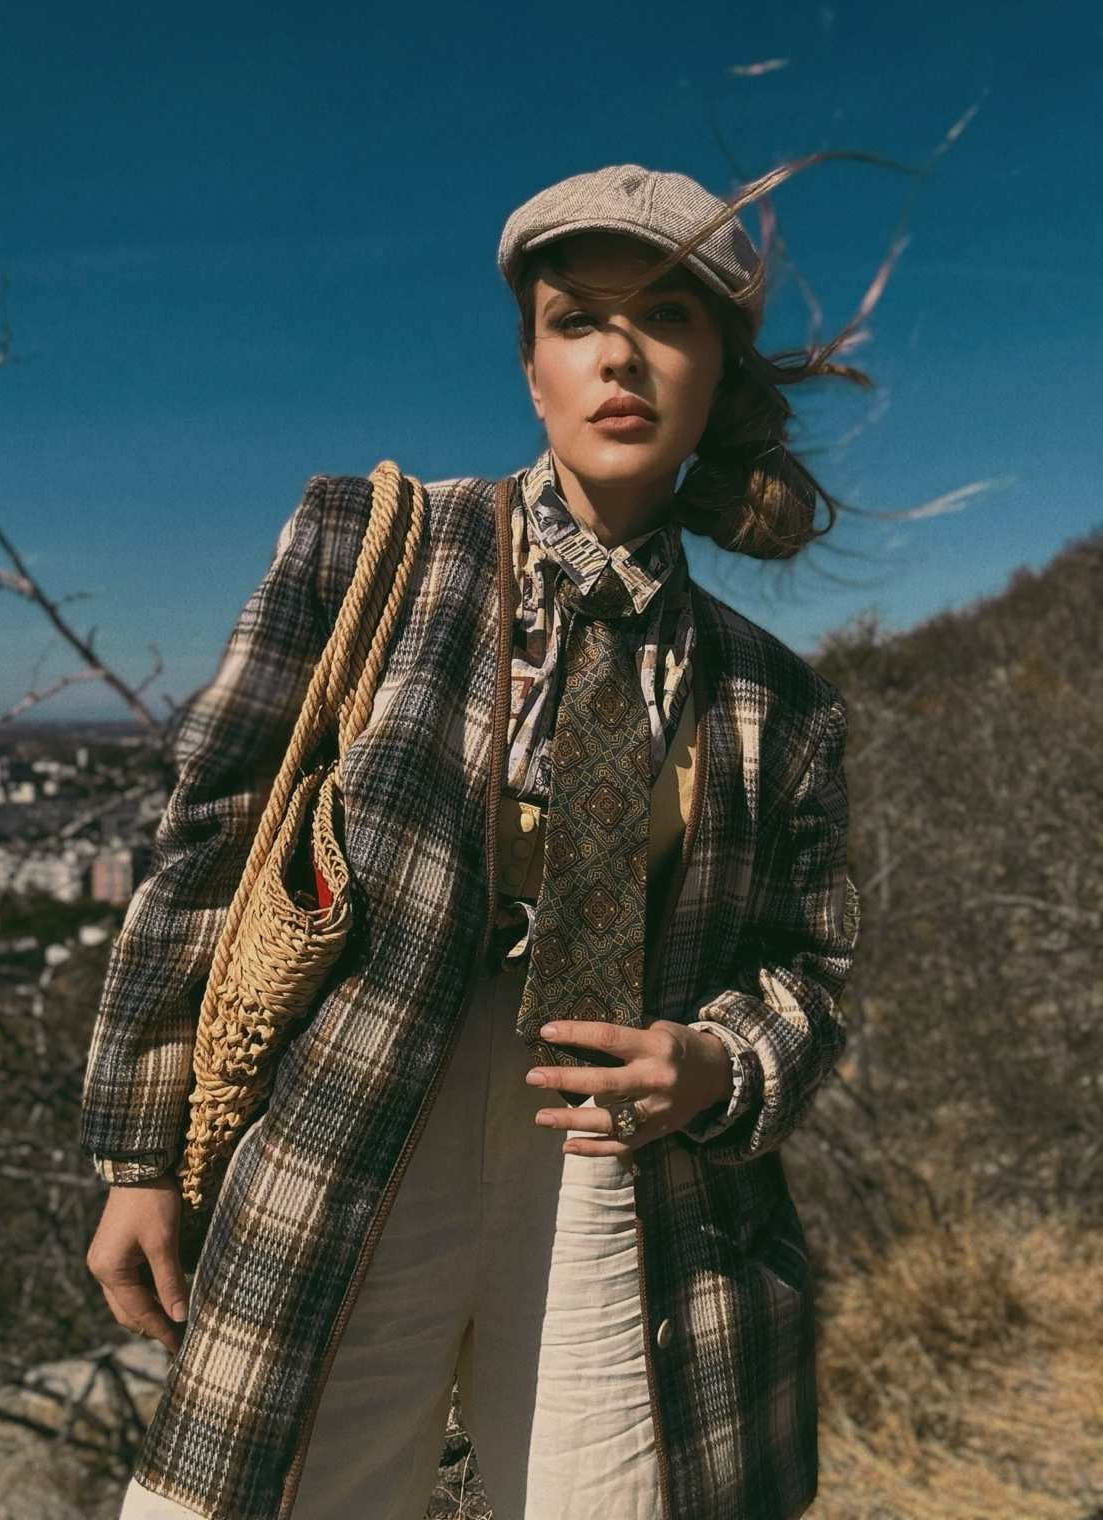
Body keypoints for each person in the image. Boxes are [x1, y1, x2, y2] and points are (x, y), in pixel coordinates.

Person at [82, 162, 861, 1520]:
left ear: (718, 373)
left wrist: (718, 1063)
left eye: (668, 316)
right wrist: (139, 1156)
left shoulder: (772, 695)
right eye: (577, 319)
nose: (619, 352)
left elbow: (816, 961)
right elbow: (206, 841)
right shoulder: (375, 546)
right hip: (352, 1127)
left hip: (630, 1181)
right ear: (532, 371)